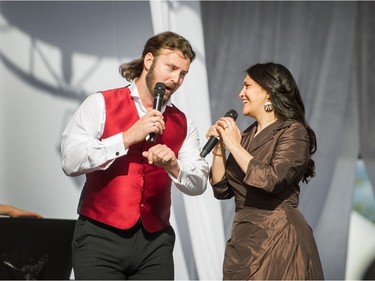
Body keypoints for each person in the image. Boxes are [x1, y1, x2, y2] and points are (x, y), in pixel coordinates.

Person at [60, 31, 208, 280]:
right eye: (171, 68)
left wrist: (174, 166)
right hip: (100, 238)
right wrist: (126, 138)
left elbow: (199, 183)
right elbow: (70, 160)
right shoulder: (100, 103)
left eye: (183, 73)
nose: (176, 79)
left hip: (155, 243)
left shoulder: (183, 122)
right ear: (148, 61)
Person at [206, 62, 324, 280]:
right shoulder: (247, 136)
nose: (241, 93)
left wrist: (234, 146)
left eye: (247, 86)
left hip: (279, 238)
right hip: (243, 241)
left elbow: (272, 179)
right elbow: (222, 189)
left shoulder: (293, 132)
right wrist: (219, 150)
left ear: (268, 92)